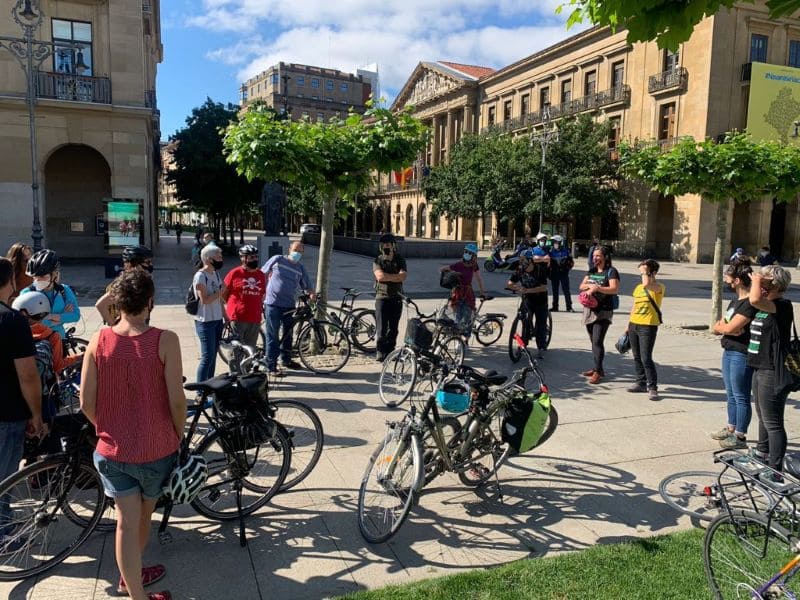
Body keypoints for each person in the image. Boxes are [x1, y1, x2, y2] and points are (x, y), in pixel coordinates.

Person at [80, 269, 184, 600]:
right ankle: (132, 578)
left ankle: (134, 587)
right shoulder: (165, 340)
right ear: (150, 302)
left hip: (112, 451)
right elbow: (177, 400)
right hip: (155, 449)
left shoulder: (99, 340)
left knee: (125, 522)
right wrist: (176, 436)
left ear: (118, 303)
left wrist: (109, 427)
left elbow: (86, 402)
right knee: (144, 515)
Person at [0, 257, 44, 553]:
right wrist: (37, 414)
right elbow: (28, 375)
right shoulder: (12, 320)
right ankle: (3, 533)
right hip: (6, 411)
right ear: (11, 282)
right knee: (4, 477)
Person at [746, 265, 794, 482]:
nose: (759, 284)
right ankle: (762, 453)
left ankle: (775, 471)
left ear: (774, 284)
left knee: (773, 423)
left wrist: (757, 280)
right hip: (760, 368)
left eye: (765, 280)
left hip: (772, 372)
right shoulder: (768, 305)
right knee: (763, 418)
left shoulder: (782, 306)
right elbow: (751, 299)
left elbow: (754, 299)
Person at [711, 259, 756, 449]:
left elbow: (730, 326)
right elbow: (717, 326)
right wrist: (726, 329)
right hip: (729, 350)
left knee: (741, 395)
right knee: (730, 393)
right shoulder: (735, 301)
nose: (727, 281)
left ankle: (740, 436)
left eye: (729, 278)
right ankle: (731, 428)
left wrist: (727, 328)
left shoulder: (749, 304)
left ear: (737, 280)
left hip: (741, 354)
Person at [261, 241, 315, 376]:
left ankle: (286, 359)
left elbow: (307, 286)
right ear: (289, 249)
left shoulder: (300, 268)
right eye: (295, 249)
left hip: (289, 305)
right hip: (272, 304)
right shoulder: (277, 259)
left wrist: (312, 293)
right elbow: (261, 274)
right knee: (272, 335)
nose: (297, 253)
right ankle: (270, 365)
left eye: (300, 251)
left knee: (288, 334)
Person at [579, 245, 620, 384]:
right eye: (594, 256)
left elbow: (614, 289)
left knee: (597, 341)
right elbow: (581, 286)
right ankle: (598, 368)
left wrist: (598, 288)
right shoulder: (591, 271)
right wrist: (591, 286)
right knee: (593, 341)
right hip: (590, 310)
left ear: (605, 257)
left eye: (598, 256)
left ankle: (597, 372)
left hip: (604, 311)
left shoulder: (611, 271)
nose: (595, 258)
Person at [19, 249, 80, 342]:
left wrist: (49, 316)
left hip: (59, 339)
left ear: (54, 275)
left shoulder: (64, 290)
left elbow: (75, 315)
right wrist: (61, 318)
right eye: (35, 277)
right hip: (35, 341)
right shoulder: (27, 293)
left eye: (43, 277)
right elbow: (25, 323)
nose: (38, 280)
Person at [625, 259, 665, 401]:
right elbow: (635, 306)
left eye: (646, 271)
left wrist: (645, 272)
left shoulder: (659, 287)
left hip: (648, 325)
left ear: (653, 272)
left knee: (646, 357)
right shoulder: (638, 288)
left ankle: (652, 387)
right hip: (634, 324)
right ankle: (640, 382)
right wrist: (628, 325)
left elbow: (647, 284)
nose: (642, 274)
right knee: (636, 356)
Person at [192, 244, 226, 383]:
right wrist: (220, 292)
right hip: (205, 321)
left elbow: (219, 299)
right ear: (208, 259)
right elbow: (205, 300)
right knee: (207, 357)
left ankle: (210, 385)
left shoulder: (215, 274)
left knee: (213, 356)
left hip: (217, 320)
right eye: (218, 257)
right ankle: (200, 390)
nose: (220, 259)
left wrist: (225, 315)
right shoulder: (200, 276)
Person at [507, 249, 550, 359]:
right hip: (527, 300)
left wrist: (528, 290)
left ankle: (541, 347)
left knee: (541, 324)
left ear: (530, 260)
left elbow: (544, 287)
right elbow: (510, 282)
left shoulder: (540, 269)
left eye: (523, 260)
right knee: (525, 321)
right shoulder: (520, 270)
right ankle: (523, 345)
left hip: (540, 300)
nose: (521, 262)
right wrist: (516, 287)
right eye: (520, 260)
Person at [96, 245, 154, 325]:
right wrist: (114, 327)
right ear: (133, 264)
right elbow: (100, 305)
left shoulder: (144, 281)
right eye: (147, 262)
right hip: (127, 332)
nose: (150, 265)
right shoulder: (127, 283)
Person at [222, 245, 266, 348]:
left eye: (256, 257)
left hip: (254, 317)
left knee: (250, 349)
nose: (254, 259)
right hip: (238, 317)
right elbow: (224, 292)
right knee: (236, 350)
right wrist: (233, 305)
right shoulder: (234, 273)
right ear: (243, 258)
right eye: (251, 257)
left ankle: (247, 364)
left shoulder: (260, 274)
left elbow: (262, 294)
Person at [373, 233, 407, 362]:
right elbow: (380, 277)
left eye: (389, 244)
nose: (387, 247)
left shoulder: (400, 259)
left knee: (393, 328)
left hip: (397, 297)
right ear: (381, 246)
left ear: (393, 246)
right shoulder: (378, 260)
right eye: (384, 245)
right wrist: (395, 277)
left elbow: (403, 276)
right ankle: (380, 351)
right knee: (381, 328)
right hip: (381, 297)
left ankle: (390, 351)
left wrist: (388, 277)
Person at [441, 243, 486, 335]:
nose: (467, 254)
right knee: (457, 317)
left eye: (470, 253)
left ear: (474, 256)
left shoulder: (474, 265)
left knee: (467, 317)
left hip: (468, 294)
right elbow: (442, 269)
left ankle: (465, 339)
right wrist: (451, 276)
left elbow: (479, 279)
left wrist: (482, 293)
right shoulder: (458, 264)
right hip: (457, 293)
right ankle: (458, 338)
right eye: (466, 252)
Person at [548, 234, 574, 312]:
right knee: (555, 291)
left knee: (566, 290)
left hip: (563, 274)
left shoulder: (566, 251)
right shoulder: (551, 251)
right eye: (554, 242)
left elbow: (571, 263)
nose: (554, 243)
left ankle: (569, 307)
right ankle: (555, 307)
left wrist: (567, 269)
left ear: (560, 242)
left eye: (556, 242)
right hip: (554, 274)